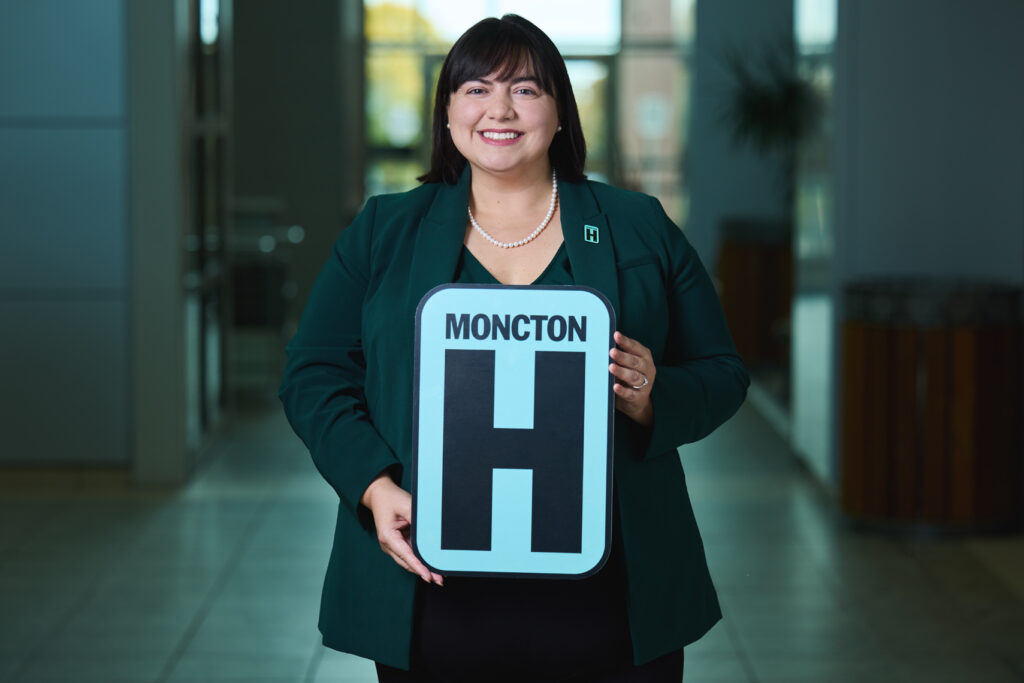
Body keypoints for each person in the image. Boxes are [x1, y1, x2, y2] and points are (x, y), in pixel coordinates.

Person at [279, 14, 749, 683]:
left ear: (560, 112)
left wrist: (655, 396)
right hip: (436, 590)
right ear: (447, 113)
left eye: (526, 90)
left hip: (608, 595)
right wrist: (371, 484)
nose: (499, 108)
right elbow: (313, 372)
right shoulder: (384, 231)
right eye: (475, 89)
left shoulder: (638, 227)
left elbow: (724, 373)